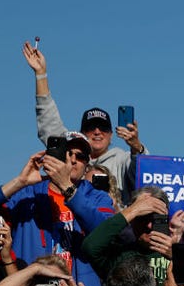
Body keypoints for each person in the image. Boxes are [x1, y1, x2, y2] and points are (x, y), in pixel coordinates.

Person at [23, 41, 149, 203]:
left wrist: (136, 147)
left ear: (111, 135)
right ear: (82, 133)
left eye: (103, 128)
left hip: (110, 223)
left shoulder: (121, 159)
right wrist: (41, 74)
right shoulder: (70, 153)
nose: (97, 132)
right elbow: (48, 120)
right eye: (90, 128)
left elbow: (145, 173)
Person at [0, 133, 114, 286]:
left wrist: (66, 186)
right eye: (67, 153)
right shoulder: (27, 193)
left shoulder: (97, 197)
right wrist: (20, 181)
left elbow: (108, 232)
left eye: (80, 156)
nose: (72, 160)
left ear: (87, 165)